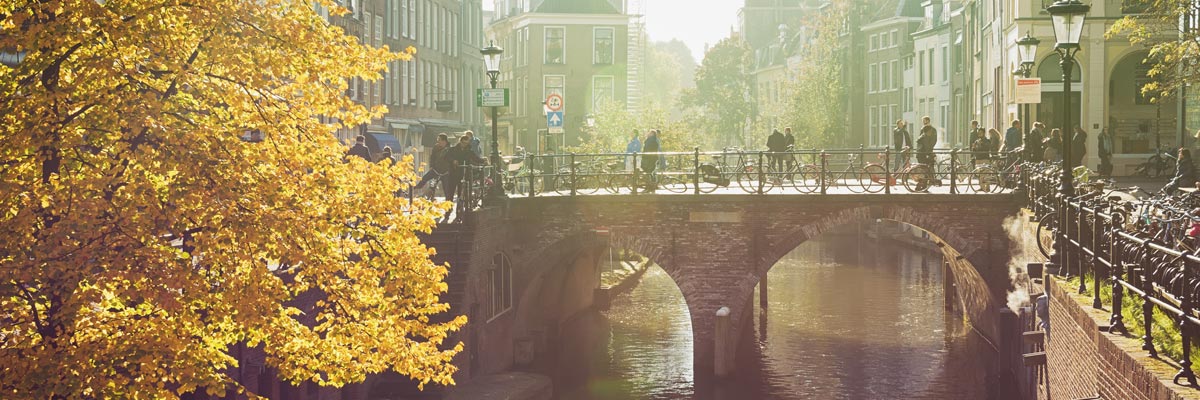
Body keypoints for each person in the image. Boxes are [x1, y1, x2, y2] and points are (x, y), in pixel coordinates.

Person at [446, 135, 486, 202]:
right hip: (454, 172)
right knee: (451, 190)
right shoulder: (452, 149)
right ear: (460, 141)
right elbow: (447, 157)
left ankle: (461, 204)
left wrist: (483, 161)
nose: (464, 145)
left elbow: (475, 158)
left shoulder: (469, 151)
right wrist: (453, 161)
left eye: (466, 143)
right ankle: (449, 206)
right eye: (463, 143)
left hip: (464, 173)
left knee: (461, 189)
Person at [916, 116, 938, 189]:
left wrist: (930, 151)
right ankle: (923, 184)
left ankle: (924, 184)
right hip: (924, 153)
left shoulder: (929, 131)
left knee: (927, 169)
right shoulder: (925, 134)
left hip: (924, 152)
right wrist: (930, 152)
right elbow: (927, 144)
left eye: (924, 121)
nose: (923, 122)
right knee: (926, 169)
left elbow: (933, 141)